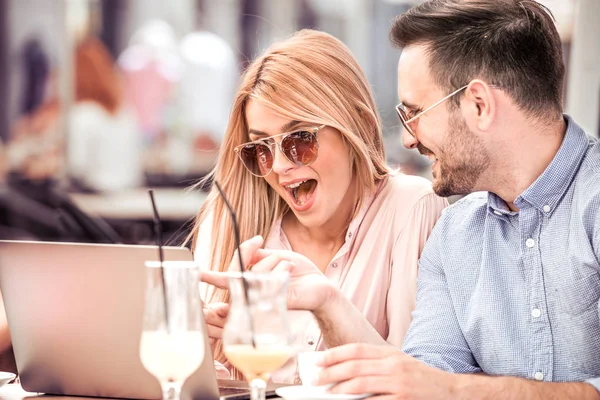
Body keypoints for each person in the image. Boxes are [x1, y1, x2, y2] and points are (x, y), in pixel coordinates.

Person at [205, 0, 600, 398]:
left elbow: (437, 387)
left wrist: (454, 390)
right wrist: (326, 302)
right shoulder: (454, 236)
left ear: (479, 105)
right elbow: (413, 382)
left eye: (414, 113)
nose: (407, 139)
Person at [192, 29, 447, 383]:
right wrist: (209, 375)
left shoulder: (412, 208)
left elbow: (416, 382)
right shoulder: (228, 222)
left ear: (356, 125)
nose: (280, 166)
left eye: (300, 140)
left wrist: (329, 304)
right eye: (261, 149)